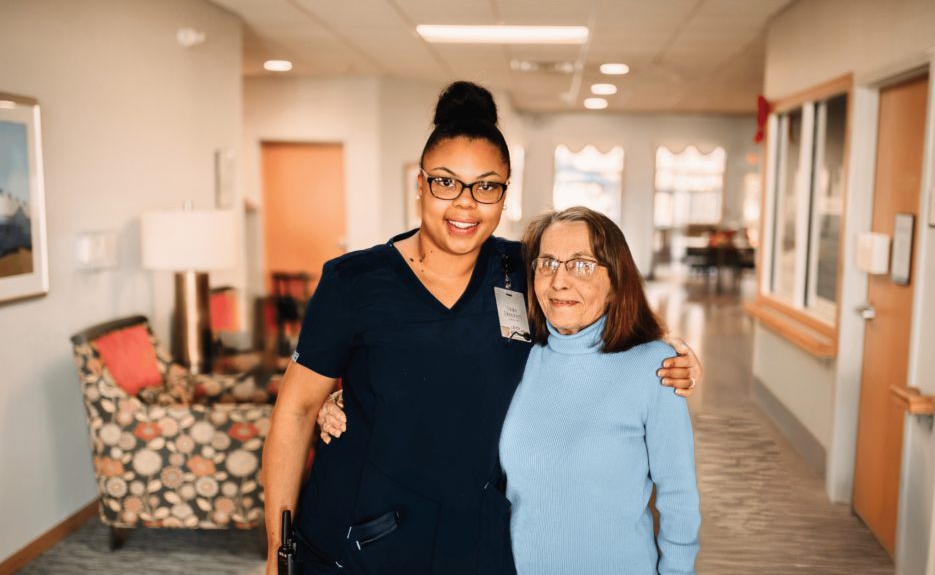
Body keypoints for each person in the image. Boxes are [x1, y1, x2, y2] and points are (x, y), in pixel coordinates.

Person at [264, 81, 702, 575]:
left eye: (486, 185)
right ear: (421, 183)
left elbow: (594, 305)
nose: (466, 203)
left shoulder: (523, 268)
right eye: (446, 182)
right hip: (357, 538)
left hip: (471, 542)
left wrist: (672, 349)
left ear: (504, 193)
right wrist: (278, 553)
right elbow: (297, 409)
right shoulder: (354, 282)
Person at [500, 206, 699, 574]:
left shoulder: (656, 367)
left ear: (616, 282)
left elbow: (678, 497)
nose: (559, 281)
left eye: (581, 265)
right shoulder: (517, 359)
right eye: (547, 263)